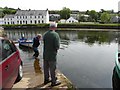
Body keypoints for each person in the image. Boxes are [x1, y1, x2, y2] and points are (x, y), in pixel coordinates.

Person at [43, 22, 61, 86]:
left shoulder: (45, 34)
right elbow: (57, 46)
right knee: (53, 69)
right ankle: (53, 82)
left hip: (45, 55)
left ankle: (46, 80)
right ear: (55, 27)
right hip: (52, 55)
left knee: (46, 68)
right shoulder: (55, 35)